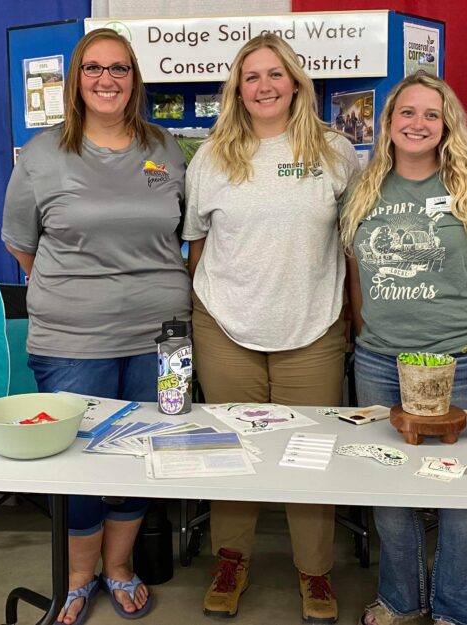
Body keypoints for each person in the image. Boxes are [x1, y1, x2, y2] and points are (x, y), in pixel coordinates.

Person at [1, 28, 189, 625]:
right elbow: (22, 247)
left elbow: (183, 232)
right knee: (78, 457)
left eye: (120, 69)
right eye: (93, 69)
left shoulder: (167, 148)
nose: (107, 80)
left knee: (138, 451)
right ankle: (80, 577)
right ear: (76, 81)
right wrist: (81, 291)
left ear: (135, 79)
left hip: (161, 333)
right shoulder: (41, 154)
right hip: (73, 336)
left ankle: (119, 567)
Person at [340, 72, 467, 625]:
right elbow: (358, 277)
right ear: (389, 123)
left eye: (430, 114)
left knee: (463, 500)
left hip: (466, 362)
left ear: (447, 125)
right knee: (391, 490)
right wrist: (362, 336)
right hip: (382, 362)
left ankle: (461, 611)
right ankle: (402, 602)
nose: (417, 123)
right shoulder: (363, 188)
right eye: (407, 113)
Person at [182, 33, 357, 623]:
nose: (264, 86)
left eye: (275, 74)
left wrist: (354, 318)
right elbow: (197, 245)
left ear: (296, 83)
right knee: (233, 450)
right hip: (224, 325)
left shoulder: (337, 153)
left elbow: (352, 244)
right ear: (237, 88)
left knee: (309, 454)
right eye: (251, 77)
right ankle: (230, 560)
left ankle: (316, 573)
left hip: (313, 326)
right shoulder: (211, 158)